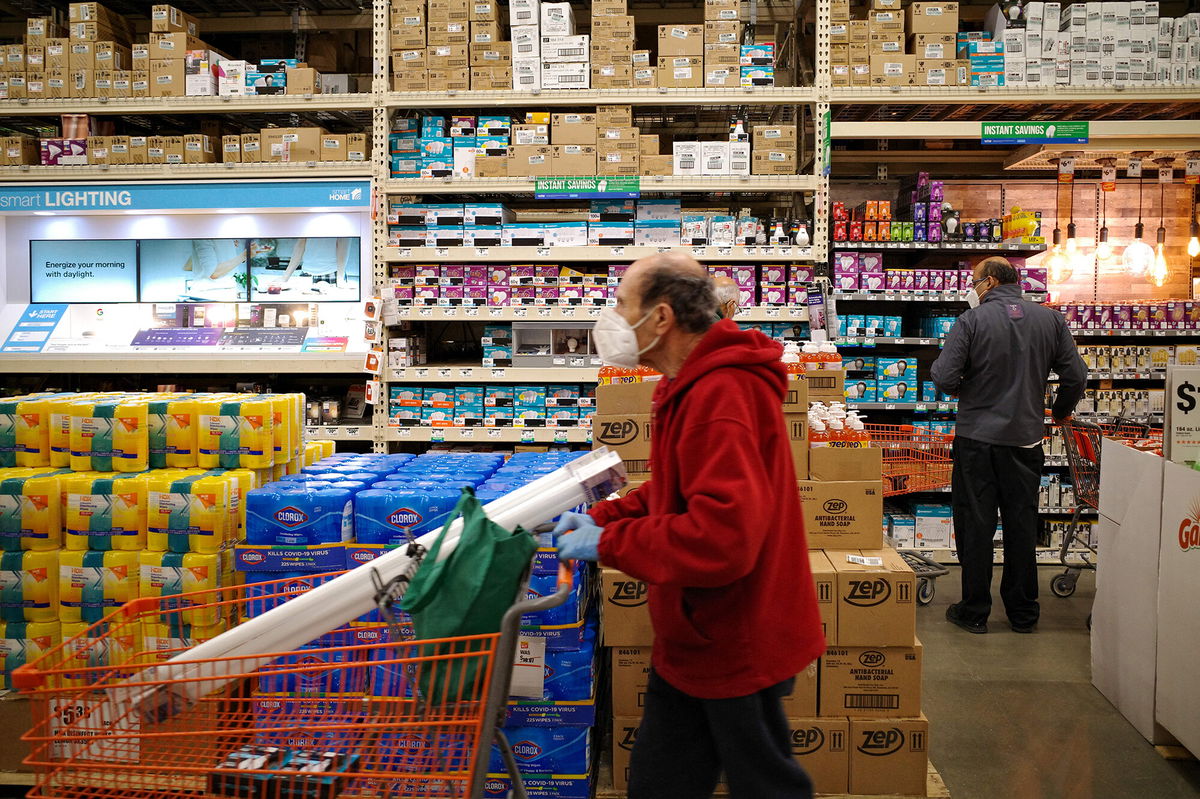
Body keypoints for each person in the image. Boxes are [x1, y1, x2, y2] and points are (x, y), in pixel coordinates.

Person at [554, 252, 824, 799]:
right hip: (695, 634)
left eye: (622, 304)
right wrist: (603, 515)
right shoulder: (689, 384)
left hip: (736, 635)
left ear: (660, 318)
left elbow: (721, 539)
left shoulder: (720, 395)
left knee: (766, 785)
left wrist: (607, 543)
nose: (612, 317)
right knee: (661, 780)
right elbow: (677, 488)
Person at [931, 256, 1086, 635]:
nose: (973, 287)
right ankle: (1022, 614)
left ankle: (974, 611)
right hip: (1025, 440)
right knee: (1020, 525)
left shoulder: (972, 321)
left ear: (991, 282)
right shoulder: (1050, 320)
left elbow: (944, 375)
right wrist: (1058, 410)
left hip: (977, 440)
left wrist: (968, 389)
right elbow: (1076, 375)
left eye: (975, 281)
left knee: (976, 525)